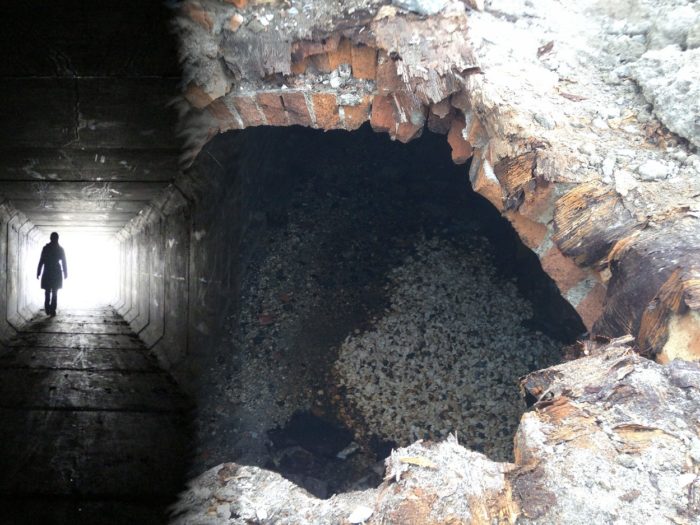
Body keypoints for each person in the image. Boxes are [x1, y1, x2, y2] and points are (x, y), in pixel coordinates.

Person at [36, 232, 68, 317]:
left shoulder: (46, 248)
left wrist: (38, 272)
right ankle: (52, 310)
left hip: (48, 271)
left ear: (50, 238)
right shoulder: (60, 249)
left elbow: (41, 261)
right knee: (54, 292)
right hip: (56, 272)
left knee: (48, 291)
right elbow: (64, 262)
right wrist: (65, 272)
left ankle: (48, 308)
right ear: (57, 238)